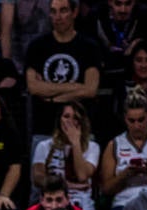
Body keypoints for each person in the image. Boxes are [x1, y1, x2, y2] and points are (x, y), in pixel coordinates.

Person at [23, 0, 101, 137]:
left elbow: (90, 90)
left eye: (63, 11)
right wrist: (76, 87)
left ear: (74, 12)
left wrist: (52, 98)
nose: (57, 17)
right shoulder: (36, 47)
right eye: (53, 11)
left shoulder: (89, 47)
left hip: (81, 131)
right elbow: (34, 87)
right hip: (45, 130)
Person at [31, 101, 99, 210]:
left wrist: (75, 143)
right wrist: (66, 185)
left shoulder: (93, 147)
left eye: (75, 118)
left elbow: (82, 175)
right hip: (51, 204)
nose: (70, 121)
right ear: (59, 120)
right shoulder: (44, 146)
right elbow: (38, 178)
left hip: (82, 206)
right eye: (66, 116)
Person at [84, 0, 147, 71]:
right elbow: (89, 49)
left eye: (128, 4)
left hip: (133, 67)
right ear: (109, 2)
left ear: (134, 2)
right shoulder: (96, 15)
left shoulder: (143, 14)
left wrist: (135, 45)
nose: (123, 10)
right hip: (104, 67)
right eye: (118, 4)